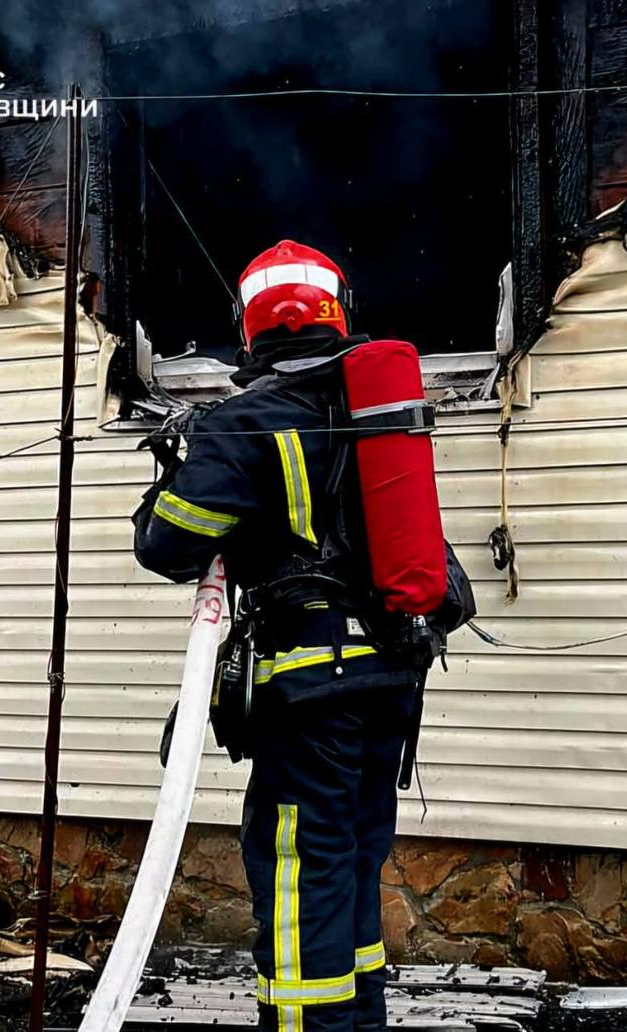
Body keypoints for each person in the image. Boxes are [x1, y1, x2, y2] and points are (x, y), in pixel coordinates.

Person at [134, 240, 463, 1032]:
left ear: (248, 326)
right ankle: (360, 1022)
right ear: (338, 309)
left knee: (297, 875)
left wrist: (174, 472)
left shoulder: (246, 421)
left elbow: (168, 544)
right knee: (352, 862)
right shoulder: (376, 410)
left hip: (310, 694)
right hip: (390, 677)